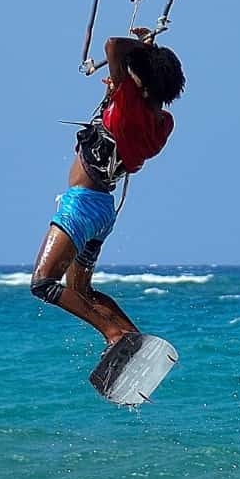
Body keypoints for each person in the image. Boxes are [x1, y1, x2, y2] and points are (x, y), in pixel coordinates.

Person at [30, 31, 184, 345]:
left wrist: (143, 50)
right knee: (80, 290)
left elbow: (113, 44)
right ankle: (134, 339)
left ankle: (113, 334)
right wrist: (141, 62)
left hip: (82, 206)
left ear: (142, 82)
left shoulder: (129, 104)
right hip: (102, 211)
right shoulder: (164, 123)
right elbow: (136, 95)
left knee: (43, 283)